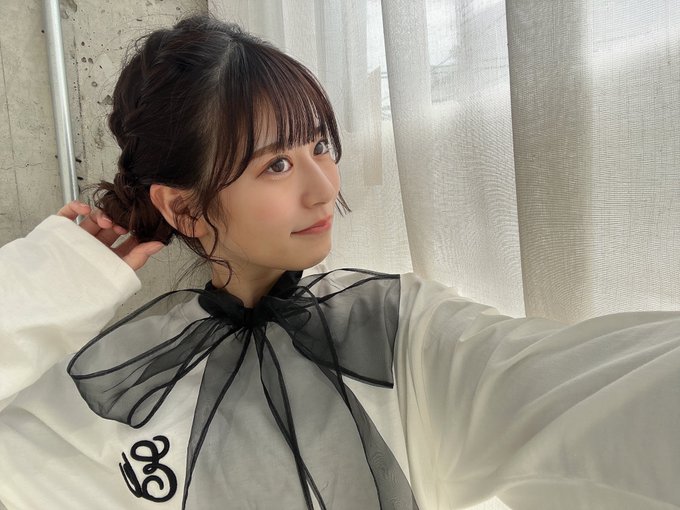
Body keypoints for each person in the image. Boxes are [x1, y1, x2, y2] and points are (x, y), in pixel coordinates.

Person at [1, 14, 679, 510]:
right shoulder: (116, 381)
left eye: (320, 144)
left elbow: (603, 394)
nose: (325, 186)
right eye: (277, 164)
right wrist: (51, 277)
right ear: (184, 208)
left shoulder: (398, 330)